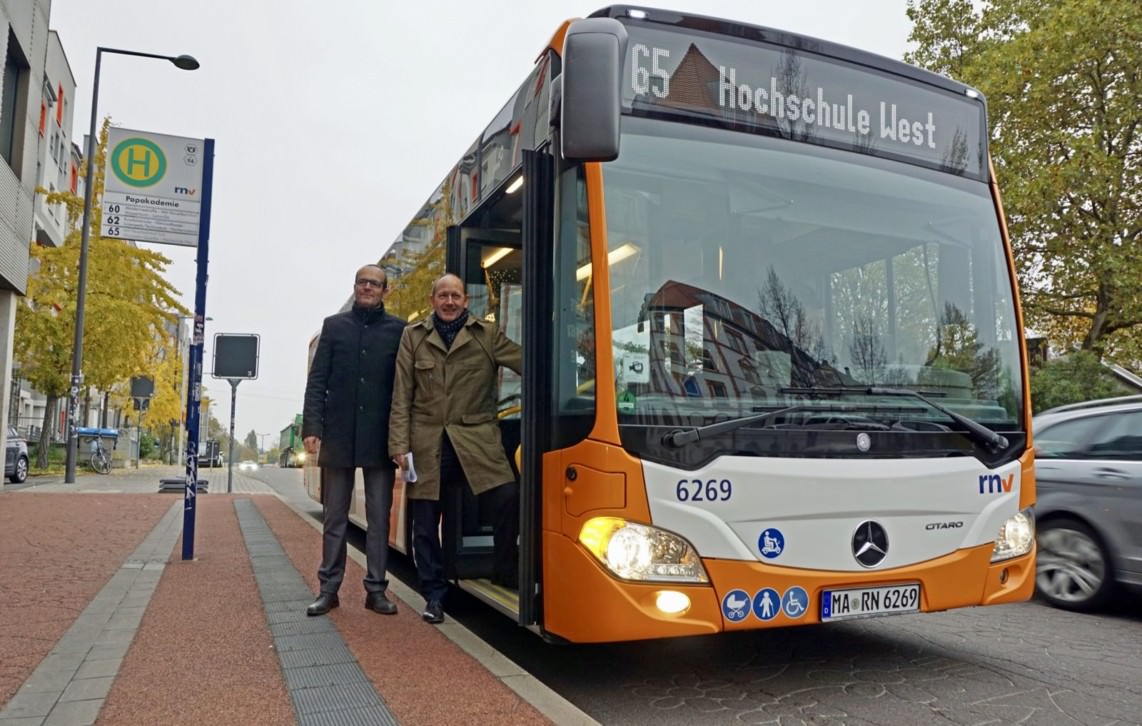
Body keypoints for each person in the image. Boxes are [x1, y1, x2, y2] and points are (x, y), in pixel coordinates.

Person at [389, 273, 522, 624]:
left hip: (476, 441)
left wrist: (574, 358)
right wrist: (399, 445)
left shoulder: (487, 335)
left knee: (508, 497)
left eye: (456, 296)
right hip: (428, 442)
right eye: (443, 295)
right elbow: (402, 395)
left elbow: (527, 364)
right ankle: (433, 595)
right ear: (433, 300)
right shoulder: (413, 336)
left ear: (466, 301)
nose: (449, 302)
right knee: (424, 525)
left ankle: (504, 570)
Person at [302, 264, 406, 617]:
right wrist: (312, 428)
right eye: (363, 282)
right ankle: (328, 590)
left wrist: (401, 438)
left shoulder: (398, 330)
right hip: (339, 434)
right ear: (355, 286)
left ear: (384, 291)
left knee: (379, 519)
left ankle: (376, 591)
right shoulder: (334, 327)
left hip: (380, 438)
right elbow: (318, 381)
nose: (368, 288)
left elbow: (404, 388)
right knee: (335, 518)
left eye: (375, 284)